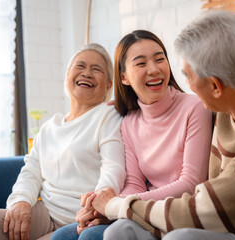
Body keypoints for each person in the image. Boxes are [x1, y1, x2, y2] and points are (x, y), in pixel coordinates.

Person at [84, 10, 235, 240]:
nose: (184, 85)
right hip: (221, 221)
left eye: (188, 75)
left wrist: (116, 206)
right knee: (119, 232)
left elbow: (199, 212)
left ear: (216, 86)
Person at [50, 30, 213, 240]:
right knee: (62, 237)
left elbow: (190, 183)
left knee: (91, 237)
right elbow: (134, 182)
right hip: (141, 211)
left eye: (159, 59)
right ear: (124, 77)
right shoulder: (129, 122)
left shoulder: (195, 107)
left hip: (178, 214)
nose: (154, 69)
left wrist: (117, 206)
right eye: (141, 63)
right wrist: (103, 209)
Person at [0, 43, 126, 240]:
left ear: (109, 83)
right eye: (80, 66)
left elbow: (113, 168)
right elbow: (31, 171)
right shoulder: (50, 127)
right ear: (67, 76)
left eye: (96, 69)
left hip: (81, 218)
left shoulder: (108, 116)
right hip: (45, 212)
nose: (87, 73)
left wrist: (96, 208)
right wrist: (20, 202)